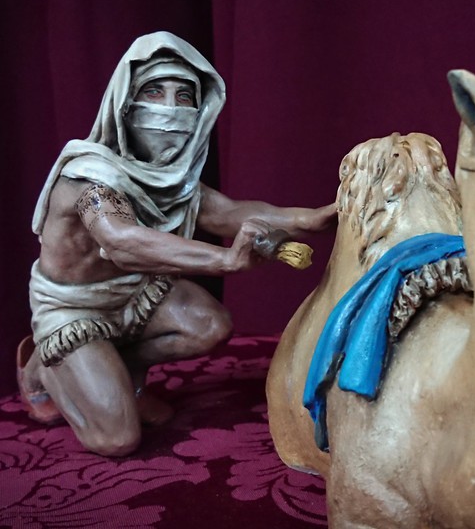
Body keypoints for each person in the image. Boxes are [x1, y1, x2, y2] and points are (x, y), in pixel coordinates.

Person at [16, 31, 336, 457]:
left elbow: (227, 212)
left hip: (135, 294)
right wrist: (226, 259)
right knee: (116, 439)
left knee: (209, 325)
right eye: (154, 92)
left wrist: (311, 220)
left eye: (184, 97)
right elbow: (122, 241)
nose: (170, 109)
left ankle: (117, 368)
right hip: (76, 308)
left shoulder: (168, 180)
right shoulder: (89, 179)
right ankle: (45, 363)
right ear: (125, 105)